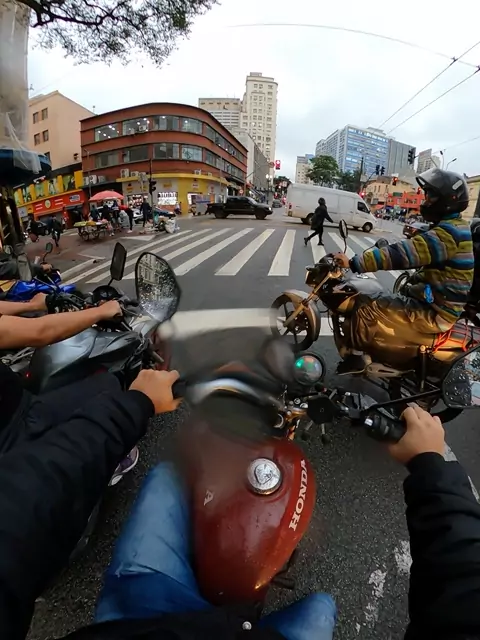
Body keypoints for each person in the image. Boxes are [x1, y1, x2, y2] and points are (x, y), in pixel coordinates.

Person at [3, 388, 480, 640]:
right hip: (193, 623)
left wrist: (137, 405)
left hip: (134, 614)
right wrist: (430, 465)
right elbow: (465, 593)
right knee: (323, 607)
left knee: (167, 472)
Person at [333, 168, 474, 374]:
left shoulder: (449, 233)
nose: (426, 200)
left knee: (365, 305)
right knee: (386, 296)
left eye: (431, 196)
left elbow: (404, 253)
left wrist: (354, 263)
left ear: (447, 200)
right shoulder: (453, 227)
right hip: (435, 302)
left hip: (435, 312)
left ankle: (355, 359)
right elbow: (417, 250)